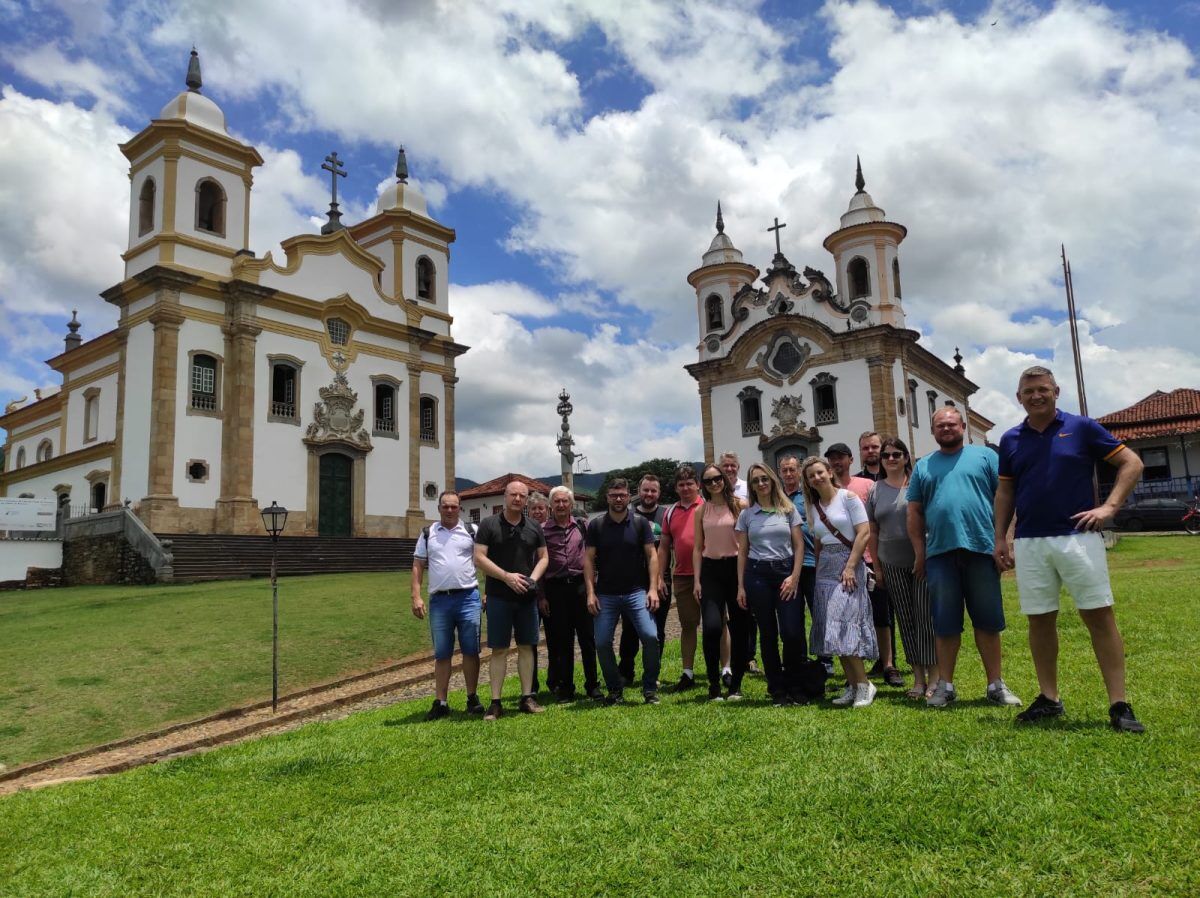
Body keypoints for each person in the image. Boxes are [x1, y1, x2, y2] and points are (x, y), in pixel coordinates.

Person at [994, 366, 1146, 732]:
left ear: (1056, 391)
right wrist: (1001, 537)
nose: (1036, 396)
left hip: (1077, 536)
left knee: (1099, 616)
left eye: (1043, 389)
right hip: (1030, 541)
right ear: (1019, 397)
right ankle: (1049, 698)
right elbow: (1006, 492)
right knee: (1040, 619)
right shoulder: (1011, 438)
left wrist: (1109, 507)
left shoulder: (1082, 428)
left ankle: (1119, 704)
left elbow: (1132, 462)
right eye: (1029, 391)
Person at [907, 407, 1022, 710]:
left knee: (987, 621)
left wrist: (1006, 542)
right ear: (933, 431)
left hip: (981, 549)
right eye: (940, 425)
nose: (946, 429)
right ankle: (945, 685)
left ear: (963, 426)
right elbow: (915, 512)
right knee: (945, 624)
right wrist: (920, 554)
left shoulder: (985, 457)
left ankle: (995, 684)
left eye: (951, 424)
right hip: (940, 555)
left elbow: (1006, 499)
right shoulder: (923, 466)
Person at [801, 456, 878, 707]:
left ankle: (865, 685)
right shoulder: (813, 508)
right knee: (832, 629)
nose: (817, 478)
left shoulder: (848, 498)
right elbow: (819, 543)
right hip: (825, 570)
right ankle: (853, 685)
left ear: (829, 472)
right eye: (811, 475)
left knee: (844, 624)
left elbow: (864, 532)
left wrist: (851, 566)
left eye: (820, 472)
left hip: (849, 564)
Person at [866, 438, 939, 699]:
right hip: (890, 561)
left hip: (921, 560)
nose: (891, 459)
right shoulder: (875, 490)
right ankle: (918, 678)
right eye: (886, 455)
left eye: (897, 454)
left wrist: (924, 554)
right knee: (906, 620)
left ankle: (935, 677)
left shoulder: (918, 484)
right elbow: (872, 530)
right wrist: (877, 566)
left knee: (925, 618)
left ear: (907, 457)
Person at [474, 479, 549, 720]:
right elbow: (479, 558)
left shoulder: (534, 527)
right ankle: (495, 702)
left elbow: (544, 557)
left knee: (527, 646)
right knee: (499, 649)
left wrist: (532, 579)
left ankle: (527, 697)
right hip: (498, 596)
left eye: (522, 496)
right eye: (513, 494)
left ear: (526, 500)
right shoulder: (488, 524)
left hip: (526, 598)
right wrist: (506, 577)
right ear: (505, 496)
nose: (518, 499)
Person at [826, 442, 900, 686]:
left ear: (850, 460)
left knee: (881, 614)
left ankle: (888, 664)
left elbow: (875, 523)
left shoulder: (866, 485)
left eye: (841, 458)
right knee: (850, 616)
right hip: (842, 563)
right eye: (832, 459)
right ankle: (855, 673)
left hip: (870, 558)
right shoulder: (827, 490)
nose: (837, 462)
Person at [585, 479, 662, 704]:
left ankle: (649, 689)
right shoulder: (596, 525)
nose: (618, 499)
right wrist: (590, 593)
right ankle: (615, 689)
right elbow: (588, 560)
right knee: (601, 642)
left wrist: (653, 589)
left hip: (636, 591)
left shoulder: (640, 524)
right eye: (613, 495)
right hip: (605, 594)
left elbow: (652, 556)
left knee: (650, 636)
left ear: (629, 496)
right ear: (607, 497)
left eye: (622, 495)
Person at [736, 463, 807, 705]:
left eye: (765, 479)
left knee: (792, 632)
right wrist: (741, 586)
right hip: (757, 575)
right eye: (755, 481)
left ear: (772, 481)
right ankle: (776, 688)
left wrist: (795, 576)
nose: (761, 484)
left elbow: (799, 545)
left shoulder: (787, 510)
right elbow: (742, 552)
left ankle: (795, 684)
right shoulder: (747, 515)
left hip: (786, 572)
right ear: (752, 486)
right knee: (768, 633)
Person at [411, 491, 484, 720]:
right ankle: (441, 701)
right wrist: (416, 596)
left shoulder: (472, 532)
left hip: (468, 597)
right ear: (439, 508)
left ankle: (472, 698)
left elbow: (485, 561)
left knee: (471, 650)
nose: (450, 510)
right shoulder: (427, 533)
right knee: (442, 653)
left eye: (454, 506)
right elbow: (418, 565)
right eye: (445, 506)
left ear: (459, 508)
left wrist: (488, 591)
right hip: (440, 601)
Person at [539, 485, 603, 703]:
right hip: (555, 589)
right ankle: (566, 688)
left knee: (587, 639)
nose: (560, 505)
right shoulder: (543, 530)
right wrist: (542, 596)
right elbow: (537, 564)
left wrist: (592, 591)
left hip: (580, 587)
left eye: (565, 501)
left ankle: (592, 685)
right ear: (550, 505)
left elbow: (591, 559)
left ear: (571, 504)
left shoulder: (583, 527)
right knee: (562, 642)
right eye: (556, 501)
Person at [694, 463, 750, 700]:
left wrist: (743, 582)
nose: (714, 483)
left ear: (724, 480)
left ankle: (735, 684)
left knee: (739, 628)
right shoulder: (701, 511)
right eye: (708, 480)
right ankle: (714, 683)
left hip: (737, 568)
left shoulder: (740, 505)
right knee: (712, 628)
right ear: (703, 485)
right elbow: (698, 547)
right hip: (710, 571)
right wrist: (697, 580)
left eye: (717, 478)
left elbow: (747, 544)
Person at [619, 474, 671, 687]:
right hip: (633, 583)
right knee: (630, 630)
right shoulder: (627, 516)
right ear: (638, 492)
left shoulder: (666, 515)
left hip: (661, 583)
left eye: (653, 491)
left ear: (659, 493)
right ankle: (626, 671)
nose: (649, 494)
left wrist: (661, 578)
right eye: (645, 490)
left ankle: (653, 673)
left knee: (658, 630)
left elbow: (668, 550)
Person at [779, 454, 828, 674]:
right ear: (780, 474)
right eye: (784, 470)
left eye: (792, 470)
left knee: (820, 613)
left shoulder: (809, 496)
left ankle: (825, 659)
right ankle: (799, 658)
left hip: (812, 563)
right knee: (793, 616)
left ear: (799, 472)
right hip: (786, 566)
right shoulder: (776, 497)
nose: (788, 474)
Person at [658, 465, 704, 691]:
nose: (686, 488)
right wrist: (659, 576)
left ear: (698, 485)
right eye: (681, 485)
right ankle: (687, 672)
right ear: (676, 488)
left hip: (710, 573)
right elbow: (664, 547)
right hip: (683, 576)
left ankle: (725, 669)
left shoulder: (708, 506)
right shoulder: (670, 512)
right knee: (688, 625)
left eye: (690, 483)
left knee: (720, 624)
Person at [720, 450, 757, 673]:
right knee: (726, 612)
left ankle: (749, 656)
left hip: (746, 554)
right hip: (722, 557)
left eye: (733, 465)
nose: (729, 469)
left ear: (738, 467)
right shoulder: (712, 490)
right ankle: (730, 656)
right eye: (726, 465)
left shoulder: (747, 489)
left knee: (747, 610)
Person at [527, 492, 551, 694]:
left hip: (551, 593)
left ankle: (555, 681)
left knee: (555, 639)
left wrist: (543, 595)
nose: (537, 512)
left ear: (547, 510)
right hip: (528, 595)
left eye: (540, 508)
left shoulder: (550, 531)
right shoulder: (523, 531)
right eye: (533, 508)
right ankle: (531, 685)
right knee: (530, 641)